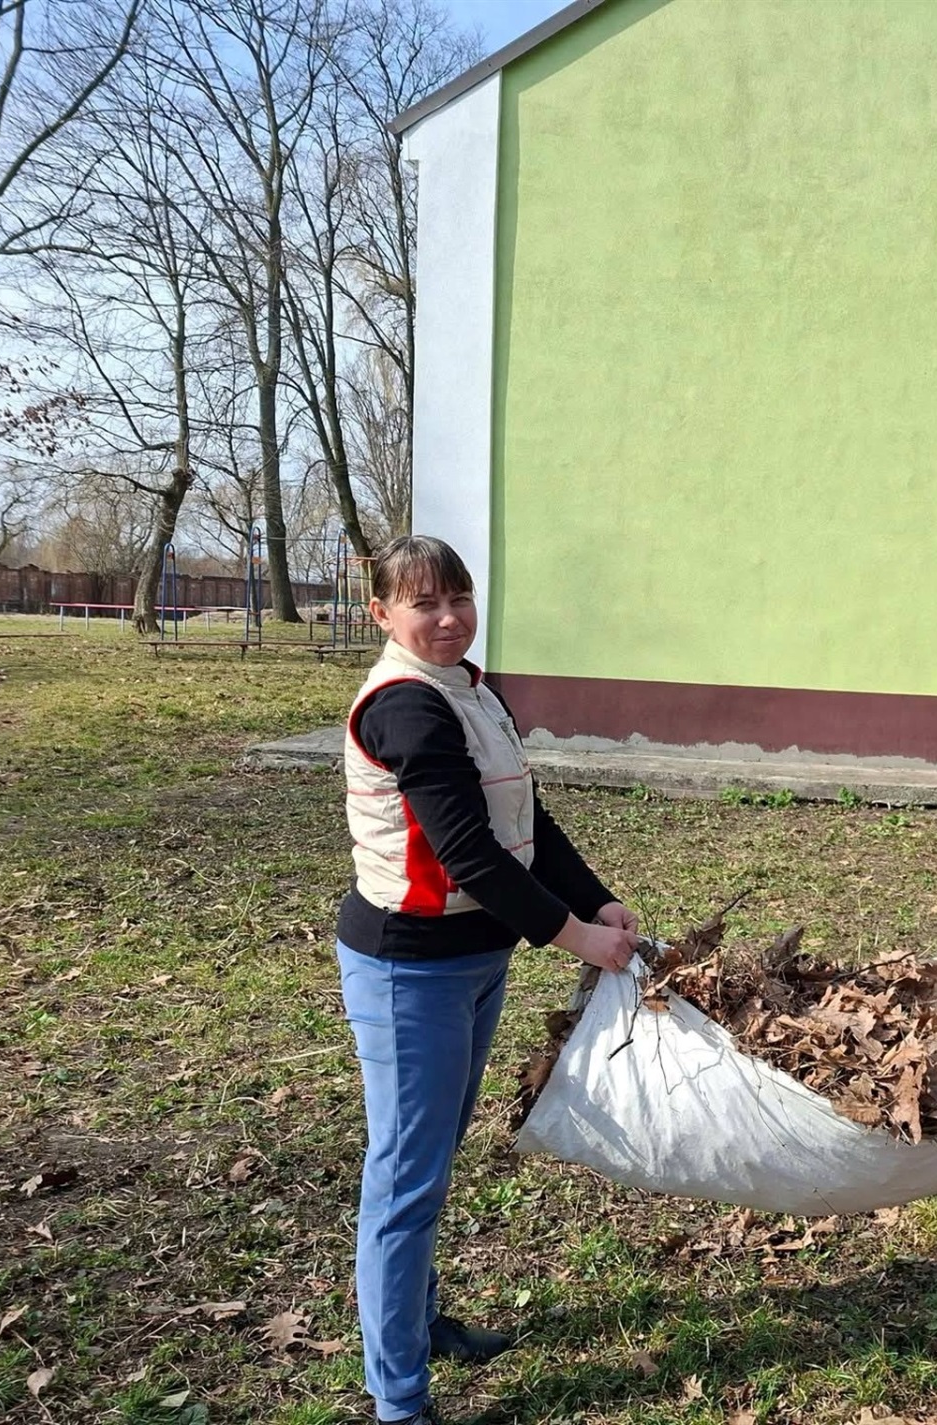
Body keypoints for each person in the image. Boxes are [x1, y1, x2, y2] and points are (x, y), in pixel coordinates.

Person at [336, 535, 639, 1425]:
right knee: (405, 1175)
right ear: (381, 615)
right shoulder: (406, 706)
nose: (448, 616)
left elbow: (524, 820)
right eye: (424, 603)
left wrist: (599, 898)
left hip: (474, 958)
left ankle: (419, 1322)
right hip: (408, 966)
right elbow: (466, 852)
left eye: (460, 596)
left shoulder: (471, 690)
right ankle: (399, 1400)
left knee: (425, 1161)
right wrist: (578, 936)